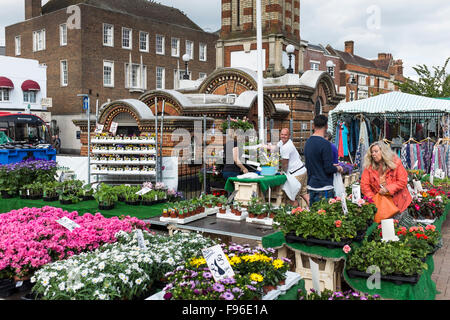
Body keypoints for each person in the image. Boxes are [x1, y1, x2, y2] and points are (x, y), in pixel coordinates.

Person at [360, 141, 412, 220]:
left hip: (399, 202)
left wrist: (388, 189)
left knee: (400, 228)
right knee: (384, 229)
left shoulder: (395, 163)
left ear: (383, 152)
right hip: (382, 205)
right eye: (372, 152)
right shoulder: (369, 167)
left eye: (376, 151)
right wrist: (373, 199)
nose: (373, 154)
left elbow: (402, 181)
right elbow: (364, 185)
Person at [304, 115, 343, 206]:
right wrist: (338, 168)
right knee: (325, 217)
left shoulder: (308, 142)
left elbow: (315, 163)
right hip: (324, 187)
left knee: (314, 217)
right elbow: (328, 168)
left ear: (313, 126)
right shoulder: (325, 144)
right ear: (326, 126)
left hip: (311, 185)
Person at [277, 128, 309, 207]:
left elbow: (285, 164)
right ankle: (314, 210)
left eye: (285, 135)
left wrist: (282, 172)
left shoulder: (287, 147)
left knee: (292, 198)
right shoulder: (282, 142)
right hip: (302, 170)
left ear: (289, 136)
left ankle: (297, 216)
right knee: (303, 193)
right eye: (282, 134)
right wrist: (263, 146)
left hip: (297, 174)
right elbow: (275, 148)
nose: (283, 136)